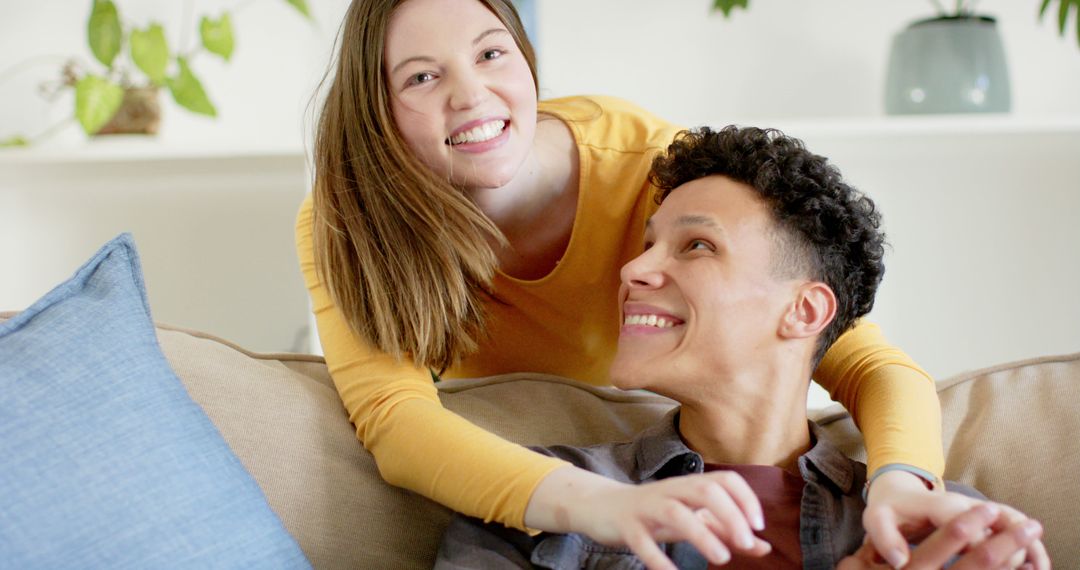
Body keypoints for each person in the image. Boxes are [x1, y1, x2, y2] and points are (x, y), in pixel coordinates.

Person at [296, 0, 960, 564]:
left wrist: (902, 486)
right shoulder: (352, 218)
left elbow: (859, 356)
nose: (469, 94)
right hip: (551, 469)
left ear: (527, 60)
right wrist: (598, 505)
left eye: (492, 53)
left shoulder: (655, 170)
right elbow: (396, 421)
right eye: (420, 76)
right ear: (377, 109)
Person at [434, 126, 1049, 569]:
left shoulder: (944, 529)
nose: (633, 270)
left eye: (696, 246)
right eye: (646, 246)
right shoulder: (543, 504)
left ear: (803, 311)